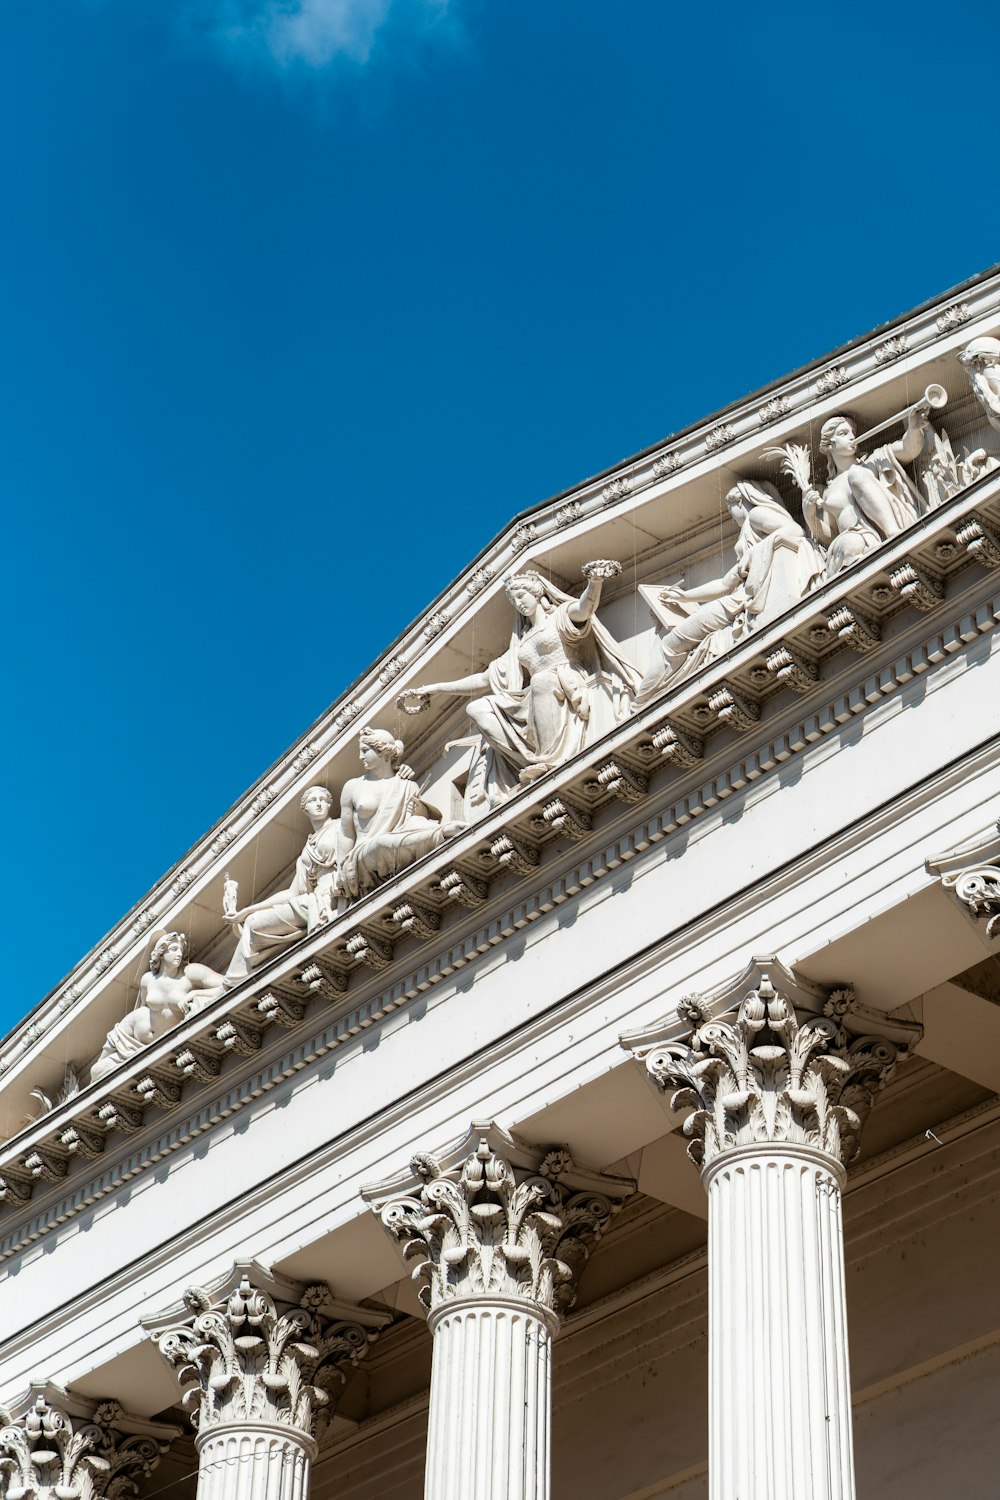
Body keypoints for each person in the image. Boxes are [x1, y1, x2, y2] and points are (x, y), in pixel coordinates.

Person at [398, 562, 640, 816]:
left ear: (536, 593)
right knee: (477, 707)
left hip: (564, 681)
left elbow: (585, 608)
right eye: (514, 601)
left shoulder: (559, 617)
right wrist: (433, 689)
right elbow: (483, 680)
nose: (519, 604)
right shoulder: (521, 643)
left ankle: (549, 758)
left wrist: (595, 582)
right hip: (535, 697)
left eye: (522, 596)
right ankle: (527, 759)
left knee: (540, 681)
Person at [635, 481, 824, 704]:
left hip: (741, 599)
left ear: (742, 501)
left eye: (731, 507)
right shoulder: (747, 534)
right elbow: (724, 584)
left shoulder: (756, 516)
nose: (730, 515)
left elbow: (794, 531)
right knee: (672, 642)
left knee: (670, 644)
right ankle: (645, 702)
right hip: (735, 597)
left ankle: (640, 703)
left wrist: (753, 555)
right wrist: (684, 597)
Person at [224, 785, 339, 985]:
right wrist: (247, 911)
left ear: (330, 804)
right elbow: (293, 893)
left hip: (335, 892)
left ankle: (230, 986)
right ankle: (231, 985)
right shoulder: (306, 852)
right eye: (313, 800)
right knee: (253, 922)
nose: (319, 803)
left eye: (323, 799)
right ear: (305, 809)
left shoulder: (341, 826)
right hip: (313, 900)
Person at [335, 728, 464, 901]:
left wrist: (417, 807)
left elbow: (415, 819)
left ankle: (440, 833)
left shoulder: (406, 785)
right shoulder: (353, 786)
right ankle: (441, 835)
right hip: (364, 855)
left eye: (365, 751)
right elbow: (346, 833)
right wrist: (342, 871)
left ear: (383, 752)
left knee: (416, 823)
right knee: (382, 842)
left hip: (396, 841)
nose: (360, 756)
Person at [798, 410, 927, 578]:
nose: (851, 437)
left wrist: (914, 428)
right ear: (830, 445)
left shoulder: (871, 463)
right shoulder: (828, 491)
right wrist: (810, 516)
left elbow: (909, 449)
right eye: (843, 433)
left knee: (856, 474)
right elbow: (831, 536)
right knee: (851, 544)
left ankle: (893, 533)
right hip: (852, 543)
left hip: (882, 535)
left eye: (852, 432)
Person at [91, 931, 226, 1080]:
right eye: (174, 949)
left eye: (181, 950)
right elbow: (143, 1008)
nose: (179, 954)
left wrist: (196, 994)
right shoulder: (147, 980)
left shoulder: (190, 973)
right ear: (161, 953)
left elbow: (227, 983)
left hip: (167, 1045)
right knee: (96, 1072)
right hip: (132, 1038)